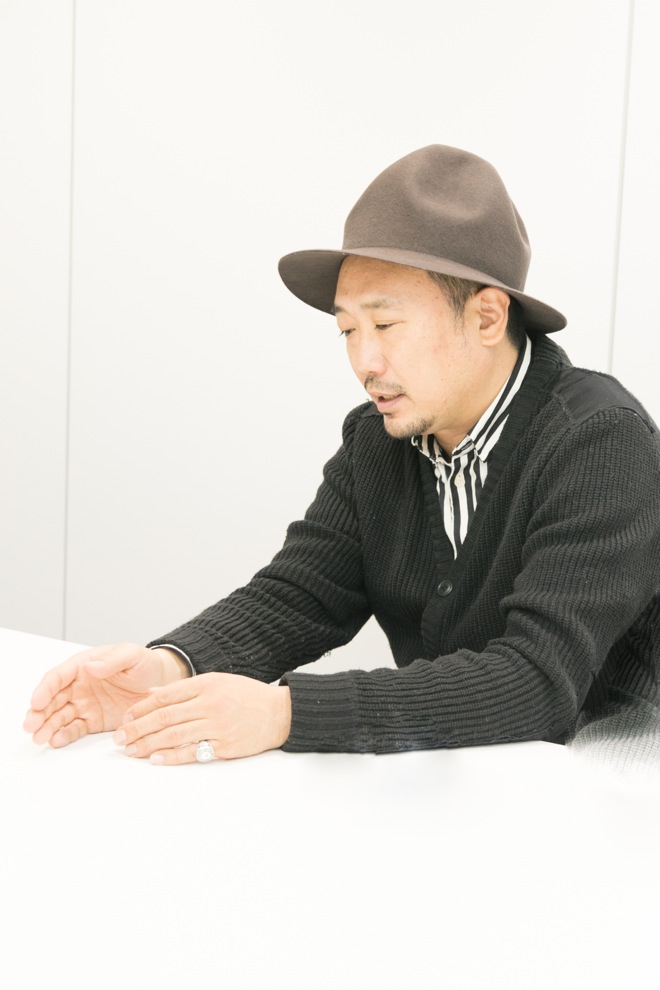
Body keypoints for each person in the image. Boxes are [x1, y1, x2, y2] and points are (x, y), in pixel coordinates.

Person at [24, 145, 660, 766]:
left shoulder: (601, 441)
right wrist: (169, 668)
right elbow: (302, 594)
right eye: (348, 330)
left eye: (385, 325)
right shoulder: (377, 440)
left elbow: (538, 681)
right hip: (464, 775)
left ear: (488, 316)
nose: (364, 362)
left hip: (613, 775)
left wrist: (284, 713)